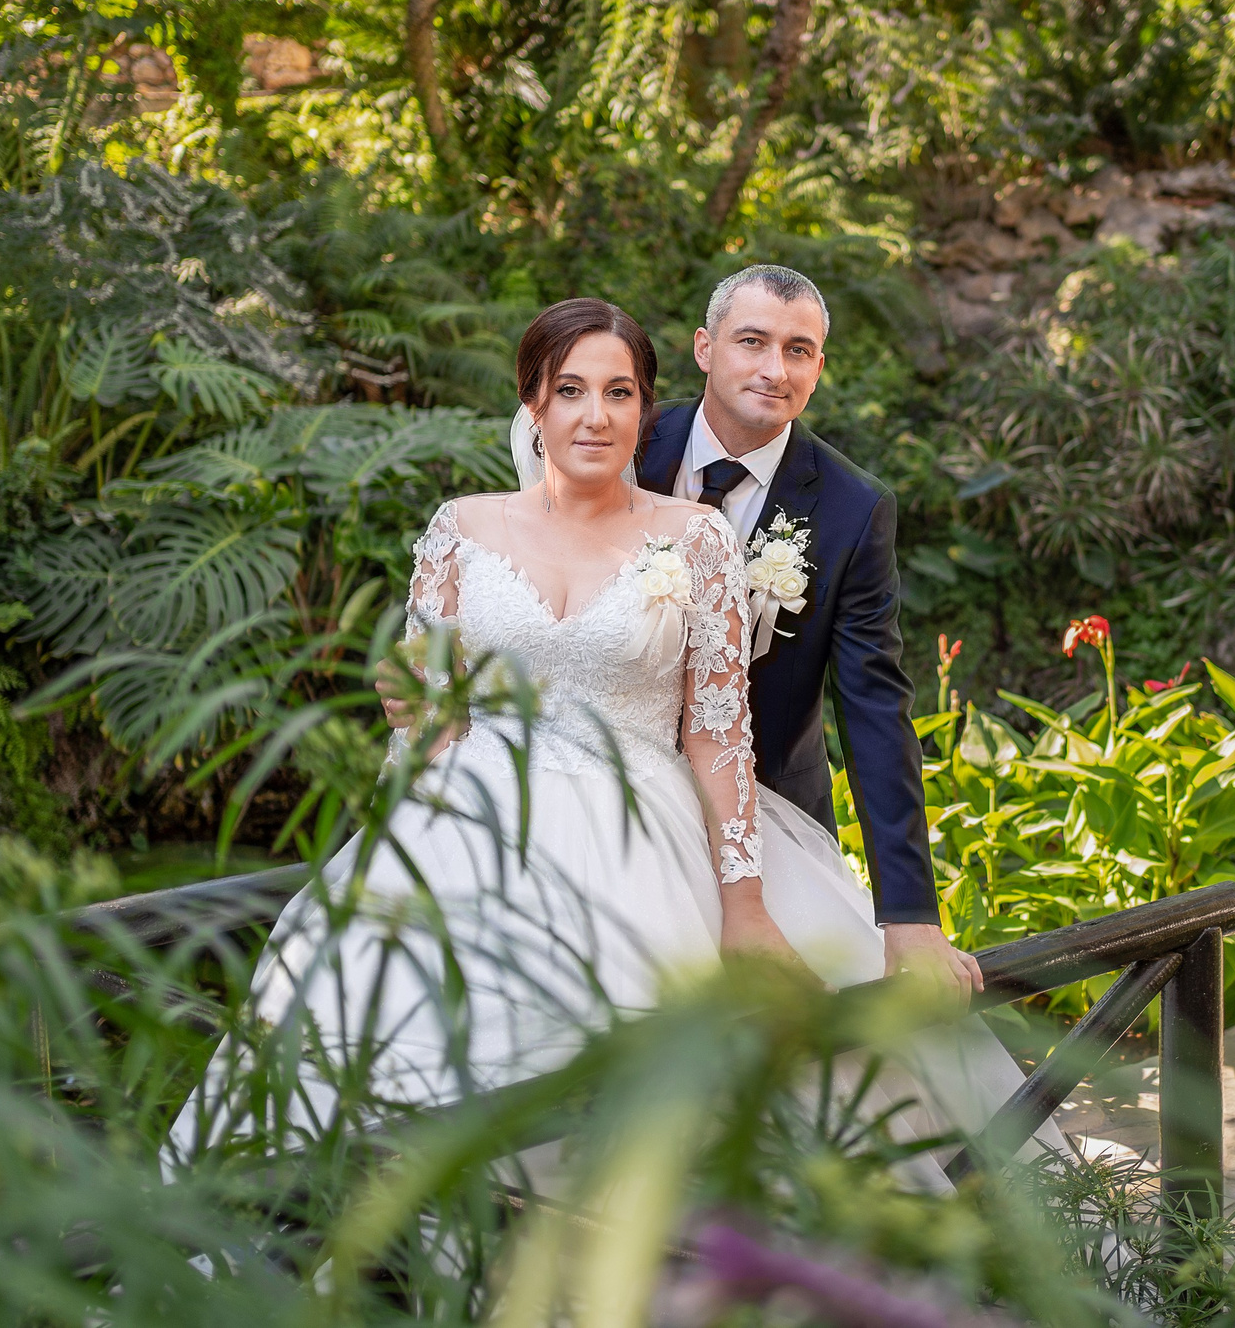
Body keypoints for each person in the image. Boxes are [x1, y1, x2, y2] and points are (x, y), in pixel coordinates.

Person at [168, 298, 1047, 1172]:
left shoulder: (698, 538)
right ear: (533, 405)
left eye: (619, 393)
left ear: (645, 408)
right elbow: (430, 720)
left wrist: (748, 907)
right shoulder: (458, 529)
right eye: (571, 391)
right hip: (469, 833)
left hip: (646, 831)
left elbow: (719, 733)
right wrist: (407, 725)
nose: (597, 414)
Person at [639, 266, 984, 997]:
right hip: (619, 798)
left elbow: (874, 708)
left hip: (769, 823)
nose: (774, 369)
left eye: (798, 350)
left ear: (819, 367)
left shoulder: (852, 510)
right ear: (704, 347)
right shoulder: (628, 442)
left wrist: (911, 913)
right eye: (752, 341)